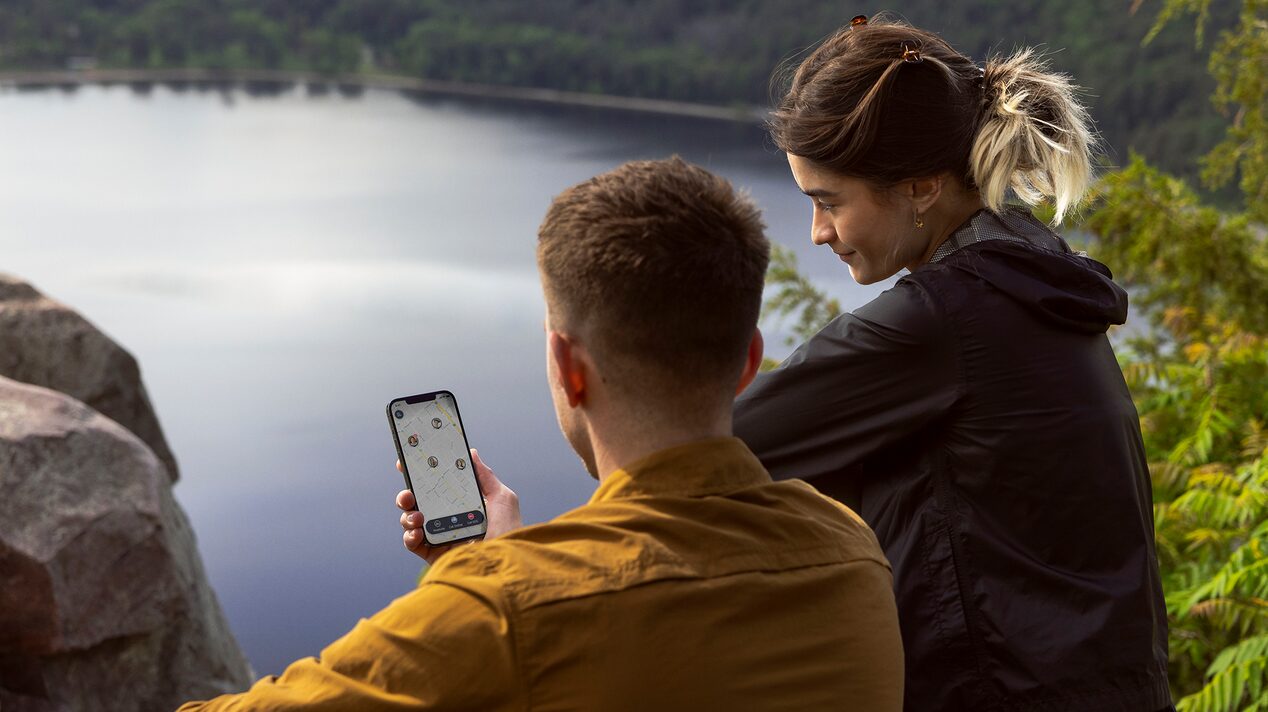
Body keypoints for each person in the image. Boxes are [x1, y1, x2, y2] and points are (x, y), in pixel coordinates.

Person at [178, 157, 905, 711]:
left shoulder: (507, 611)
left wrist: (485, 580)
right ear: (749, 361)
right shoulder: (850, 553)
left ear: (568, 365)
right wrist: (501, 560)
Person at [731, 15, 1172, 712]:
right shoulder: (1038, 290)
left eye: (828, 203)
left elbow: (701, 445)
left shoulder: (947, 319)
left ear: (921, 188)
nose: (818, 233)